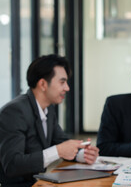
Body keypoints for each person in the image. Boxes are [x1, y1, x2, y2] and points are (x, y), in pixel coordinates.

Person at [0, 54, 99, 187]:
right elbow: (12, 165)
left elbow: (61, 142)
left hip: (39, 182)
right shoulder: (14, 112)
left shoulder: (48, 109)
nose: (67, 88)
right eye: (62, 82)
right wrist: (58, 151)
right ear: (43, 84)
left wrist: (83, 154)